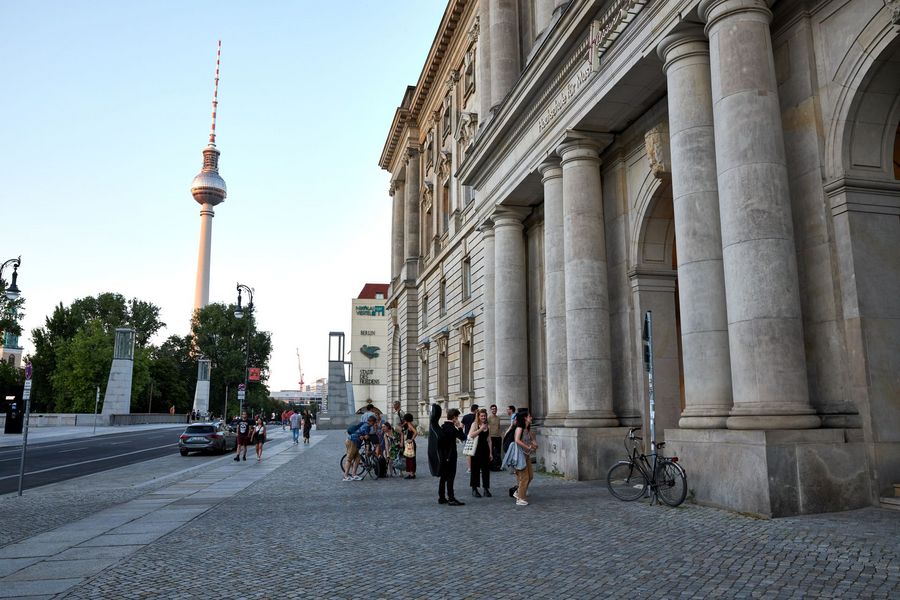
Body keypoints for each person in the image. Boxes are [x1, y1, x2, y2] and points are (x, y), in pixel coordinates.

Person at [437, 408, 466, 506]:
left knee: (443, 477)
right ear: (454, 417)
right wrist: (460, 427)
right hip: (451, 456)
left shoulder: (443, 426)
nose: (457, 419)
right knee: (450, 477)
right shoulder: (452, 428)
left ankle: (441, 497)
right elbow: (463, 437)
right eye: (457, 417)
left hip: (443, 456)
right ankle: (451, 498)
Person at [509, 411, 537, 506]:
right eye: (529, 416)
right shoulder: (519, 428)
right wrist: (527, 447)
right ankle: (520, 499)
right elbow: (517, 440)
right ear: (525, 418)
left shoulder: (527, 428)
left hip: (526, 455)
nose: (531, 417)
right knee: (524, 477)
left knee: (530, 476)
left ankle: (518, 492)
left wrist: (533, 444)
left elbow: (531, 440)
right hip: (520, 455)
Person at [468, 408, 493, 497]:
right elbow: (471, 435)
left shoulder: (487, 425)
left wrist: (490, 453)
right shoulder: (475, 424)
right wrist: (480, 429)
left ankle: (486, 489)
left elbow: (489, 440)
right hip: (476, 450)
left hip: (485, 449)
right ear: (478, 416)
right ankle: (474, 489)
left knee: (486, 470)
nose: (483, 417)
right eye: (481, 416)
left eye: (484, 416)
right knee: (475, 470)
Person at [461, 404, 479, 473]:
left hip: (467, 437)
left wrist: (462, 437)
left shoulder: (465, 417)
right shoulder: (477, 417)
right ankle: (477, 467)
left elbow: (462, 427)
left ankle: (469, 468)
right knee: (476, 452)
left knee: (469, 453)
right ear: (476, 410)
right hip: (476, 436)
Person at [401, 413, 417, 479]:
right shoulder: (408, 424)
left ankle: (412, 474)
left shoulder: (410, 425)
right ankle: (411, 473)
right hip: (409, 444)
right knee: (410, 458)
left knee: (410, 459)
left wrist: (411, 439)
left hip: (410, 444)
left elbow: (415, 432)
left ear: (406, 419)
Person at [488, 404, 502, 471]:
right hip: (491, 437)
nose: (494, 410)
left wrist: (500, 435)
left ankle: (497, 465)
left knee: (498, 452)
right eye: (493, 409)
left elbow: (499, 427)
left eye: (495, 409)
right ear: (491, 410)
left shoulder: (498, 418)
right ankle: (491, 466)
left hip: (498, 437)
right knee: (491, 452)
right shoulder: (489, 418)